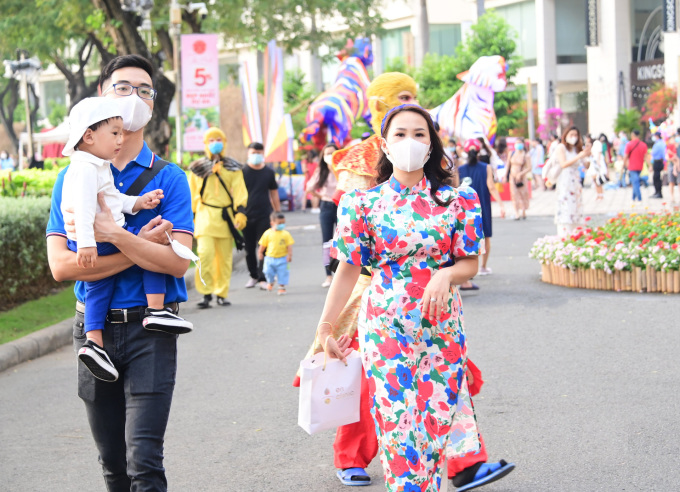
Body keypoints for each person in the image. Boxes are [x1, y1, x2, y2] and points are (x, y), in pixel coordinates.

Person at [45, 54, 194, 490]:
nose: (134, 97)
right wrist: (142, 245)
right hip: (92, 332)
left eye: (144, 90)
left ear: (153, 105)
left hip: (151, 329)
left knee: (144, 463)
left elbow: (177, 262)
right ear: (101, 99)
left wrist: (114, 233)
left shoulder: (170, 179)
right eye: (123, 87)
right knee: (112, 463)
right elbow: (62, 266)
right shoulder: (71, 178)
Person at [320, 104, 483, 490]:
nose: (410, 141)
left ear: (431, 145)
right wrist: (325, 329)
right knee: (398, 426)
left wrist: (446, 274)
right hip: (385, 325)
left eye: (419, 134)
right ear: (385, 144)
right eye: (400, 134)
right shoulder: (361, 204)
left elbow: (470, 263)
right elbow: (347, 270)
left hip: (442, 325)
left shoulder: (457, 201)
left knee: (436, 423)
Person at [63, 97, 192, 381]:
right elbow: (84, 209)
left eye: (122, 133)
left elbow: (112, 198)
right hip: (94, 239)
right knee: (152, 246)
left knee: (98, 285)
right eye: (114, 133)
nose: (121, 139)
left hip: (99, 239)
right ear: (89, 135)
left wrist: (137, 203)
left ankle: (94, 342)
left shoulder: (96, 165)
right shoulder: (85, 169)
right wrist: (87, 243)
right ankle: (156, 310)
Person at [189, 127, 248, 308]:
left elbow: (239, 191)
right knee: (205, 255)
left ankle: (221, 293)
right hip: (204, 215)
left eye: (218, 139)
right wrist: (188, 217)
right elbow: (190, 193)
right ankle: (206, 293)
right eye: (211, 140)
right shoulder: (197, 168)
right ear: (206, 144)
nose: (215, 143)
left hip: (226, 217)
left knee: (224, 259)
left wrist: (240, 212)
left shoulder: (233, 167)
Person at [459, 139, 505, 277]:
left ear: (465, 152)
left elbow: (455, 188)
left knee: (466, 238)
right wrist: (501, 205)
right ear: (479, 151)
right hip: (482, 207)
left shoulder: (459, 169)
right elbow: (491, 187)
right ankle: (483, 267)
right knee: (485, 238)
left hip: (464, 209)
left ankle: (468, 269)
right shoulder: (486, 167)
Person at [242, 142, 280, 289]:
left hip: (265, 215)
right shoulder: (242, 171)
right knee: (249, 248)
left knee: (263, 247)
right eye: (253, 152)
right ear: (248, 154)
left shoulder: (268, 173)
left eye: (259, 152)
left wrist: (277, 213)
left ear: (263, 154)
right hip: (245, 215)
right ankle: (253, 276)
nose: (256, 155)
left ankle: (263, 277)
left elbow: (274, 194)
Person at [306, 142, 338, 288]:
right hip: (326, 205)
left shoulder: (342, 169)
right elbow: (310, 188)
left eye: (333, 153)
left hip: (342, 206)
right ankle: (328, 275)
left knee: (343, 241)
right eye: (327, 154)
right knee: (327, 241)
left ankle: (342, 275)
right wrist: (321, 197)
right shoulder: (321, 170)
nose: (330, 156)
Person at [555, 126, 590, 237]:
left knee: (576, 206)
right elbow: (563, 164)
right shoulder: (561, 147)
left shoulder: (577, 149)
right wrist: (579, 156)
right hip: (565, 180)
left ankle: (576, 233)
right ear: (566, 136)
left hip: (576, 180)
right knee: (566, 204)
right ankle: (564, 233)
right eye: (571, 135)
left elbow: (586, 165)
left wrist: (587, 155)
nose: (573, 137)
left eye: (576, 135)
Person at [258, 212, 294, 295]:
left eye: (283, 223)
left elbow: (289, 245)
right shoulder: (267, 233)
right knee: (267, 271)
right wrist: (260, 252)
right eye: (279, 223)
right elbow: (263, 244)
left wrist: (289, 255)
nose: (282, 225)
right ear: (272, 223)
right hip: (269, 258)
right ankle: (271, 281)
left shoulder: (285, 234)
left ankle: (281, 287)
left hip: (282, 258)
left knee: (283, 272)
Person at [504, 139, 531, 220]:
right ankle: (516, 212)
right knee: (514, 194)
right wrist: (505, 176)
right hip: (513, 176)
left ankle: (523, 211)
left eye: (520, 143)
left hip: (522, 177)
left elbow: (529, 167)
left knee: (523, 194)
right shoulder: (511, 153)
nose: (518, 145)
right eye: (517, 143)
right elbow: (508, 165)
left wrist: (521, 174)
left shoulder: (526, 155)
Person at [623, 129, 648, 202]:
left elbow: (625, 156)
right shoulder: (643, 145)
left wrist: (624, 165)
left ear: (632, 135)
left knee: (635, 182)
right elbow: (646, 156)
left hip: (632, 166)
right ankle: (633, 198)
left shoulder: (629, 144)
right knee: (635, 181)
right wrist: (650, 165)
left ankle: (639, 198)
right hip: (640, 166)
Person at [585, 134, 609, 200]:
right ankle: (598, 194)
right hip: (594, 163)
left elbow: (599, 153)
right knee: (595, 180)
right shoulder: (591, 145)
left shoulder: (597, 143)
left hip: (597, 164)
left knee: (598, 180)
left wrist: (598, 162)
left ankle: (601, 194)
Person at [650, 131, 666, 199]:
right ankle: (657, 192)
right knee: (656, 177)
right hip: (659, 162)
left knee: (656, 177)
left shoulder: (658, 144)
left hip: (658, 162)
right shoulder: (661, 143)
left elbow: (653, 153)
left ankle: (658, 192)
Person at [667, 134, 680, 203]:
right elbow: (667, 157)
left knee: (679, 182)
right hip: (671, 165)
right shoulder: (669, 147)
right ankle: (672, 197)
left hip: (678, 164)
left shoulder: (678, 147)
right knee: (671, 182)